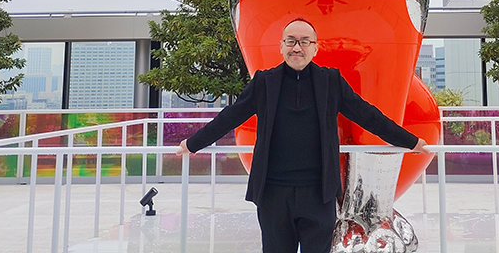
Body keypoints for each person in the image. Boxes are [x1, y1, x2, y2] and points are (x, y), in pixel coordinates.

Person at [177, 17, 427, 253]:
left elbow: (367, 115)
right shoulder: (264, 82)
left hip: (319, 195)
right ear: (281, 46)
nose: (297, 47)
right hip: (273, 194)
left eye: (304, 41)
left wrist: (410, 141)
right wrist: (193, 144)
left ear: (315, 48)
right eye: (291, 41)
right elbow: (230, 116)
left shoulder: (330, 81)